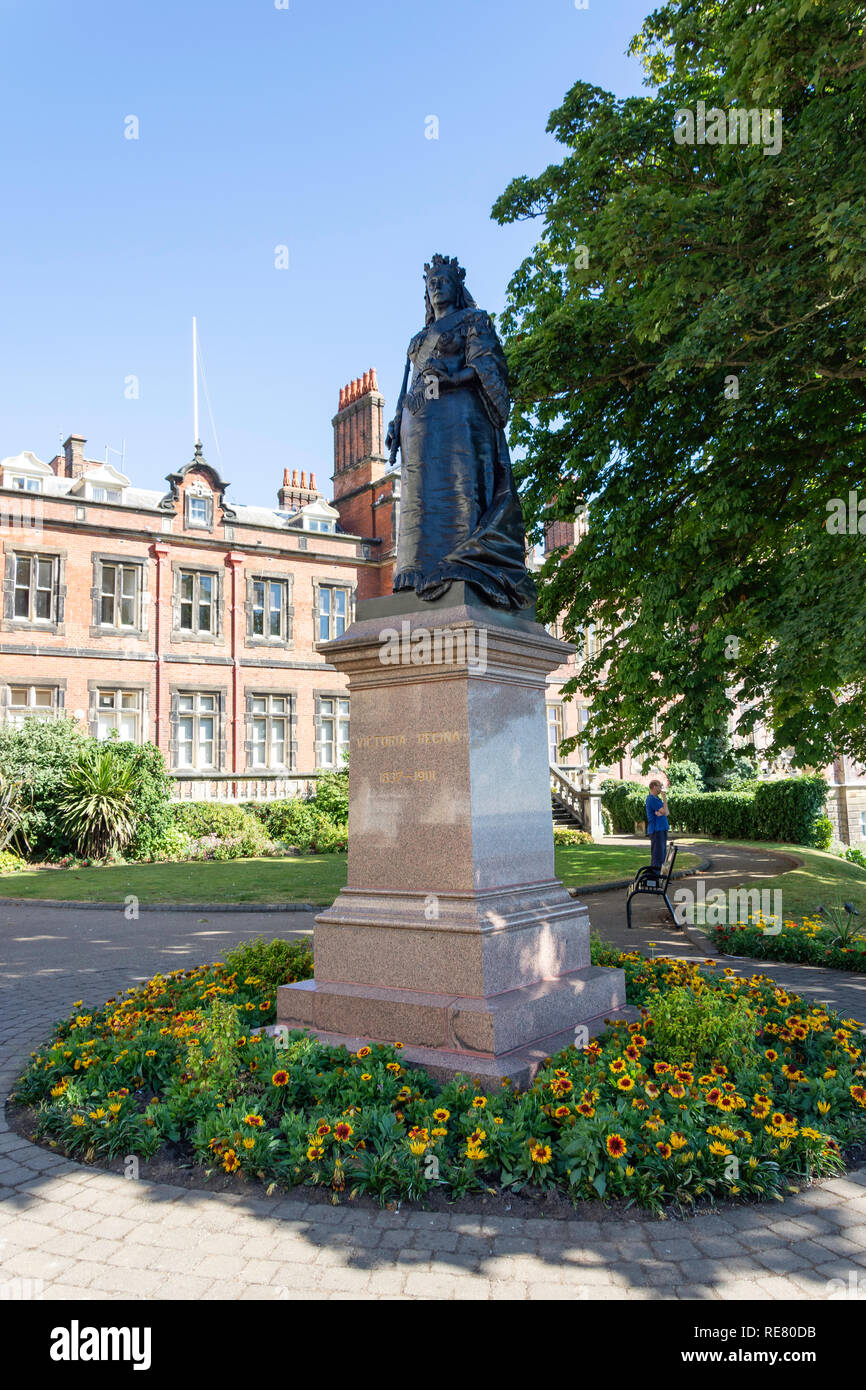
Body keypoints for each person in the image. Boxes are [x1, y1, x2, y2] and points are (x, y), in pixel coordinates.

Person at [385, 254, 537, 611]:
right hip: (420, 424)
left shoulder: (473, 320)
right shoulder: (417, 339)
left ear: (456, 286)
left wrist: (453, 380)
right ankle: (419, 569)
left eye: (443, 280)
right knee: (421, 496)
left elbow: (486, 365)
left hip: (458, 419)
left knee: (458, 488)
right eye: (431, 282)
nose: (436, 285)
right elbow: (408, 384)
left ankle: (461, 562)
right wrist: (396, 420)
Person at [645, 779, 670, 876]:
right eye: (660, 786)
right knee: (658, 856)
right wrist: (664, 798)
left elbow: (666, 812)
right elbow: (665, 812)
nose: (661, 788)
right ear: (654, 786)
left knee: (663, 855)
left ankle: (663, 877)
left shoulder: (656, 799)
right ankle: (656, 879)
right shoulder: (651, 799)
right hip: (657, 830)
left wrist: (662, 811)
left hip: (661, 829)